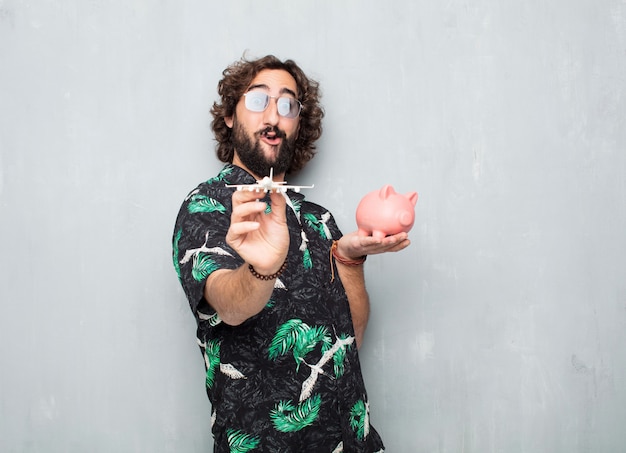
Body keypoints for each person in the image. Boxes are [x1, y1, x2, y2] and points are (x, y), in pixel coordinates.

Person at [172, 54, 410, 452]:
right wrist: (261, 270)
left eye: (287, 105)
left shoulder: (319, 220)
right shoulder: (207, 206)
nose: (274, 116)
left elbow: (351, 342)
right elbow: (228, 305)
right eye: (258, 100)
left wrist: (349, 260)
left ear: (298, 124)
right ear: (230, 115)